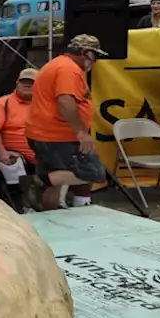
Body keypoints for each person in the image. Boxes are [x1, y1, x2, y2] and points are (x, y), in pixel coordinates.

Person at [25, 34, 110, 209]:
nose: (95, 61)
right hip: (57, 136)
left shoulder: (58, 64)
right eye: (95, 55)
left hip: (46, 133)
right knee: (94, 173)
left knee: (56, 181)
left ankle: (48, 214)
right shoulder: (68, 69)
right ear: (85, 52)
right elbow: (65, 100)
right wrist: (81, 132)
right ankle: (39, 180)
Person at [0, 67, 40, 212]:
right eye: (24, 81)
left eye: (31, 82)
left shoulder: (45, 105)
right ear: (17, 83)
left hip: (40, 154)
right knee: (13, 164)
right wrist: (3, 153)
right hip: (8, 152)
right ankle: (19, 207)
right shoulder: (4, 102)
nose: (27, 85)